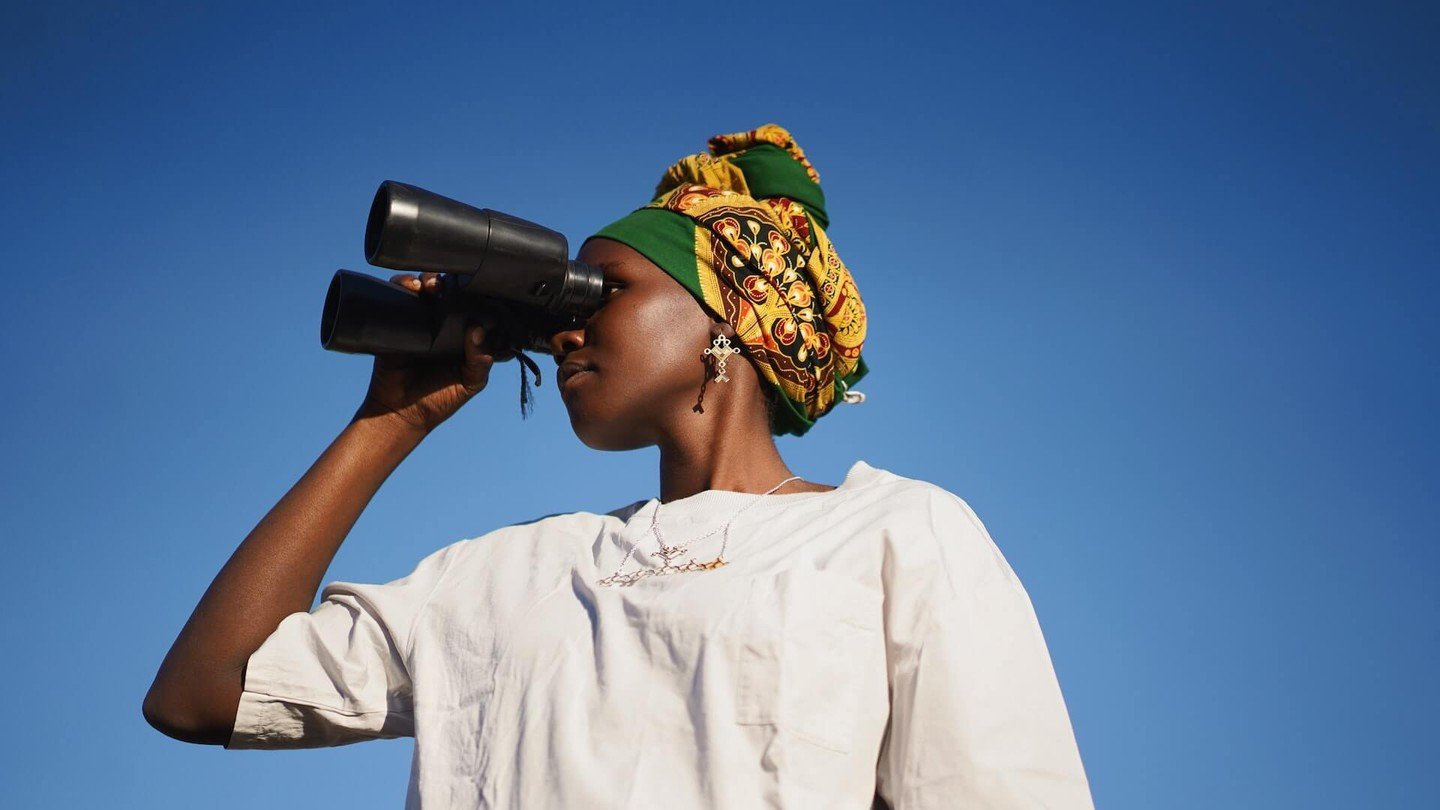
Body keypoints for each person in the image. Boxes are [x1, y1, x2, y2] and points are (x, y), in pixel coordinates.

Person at [143, 125, 1094, 809]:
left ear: (732, 315)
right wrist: (388, 422)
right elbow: (202, 693)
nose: (567, 325)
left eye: (609, 289)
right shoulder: (500, 576)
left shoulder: (890, 535)